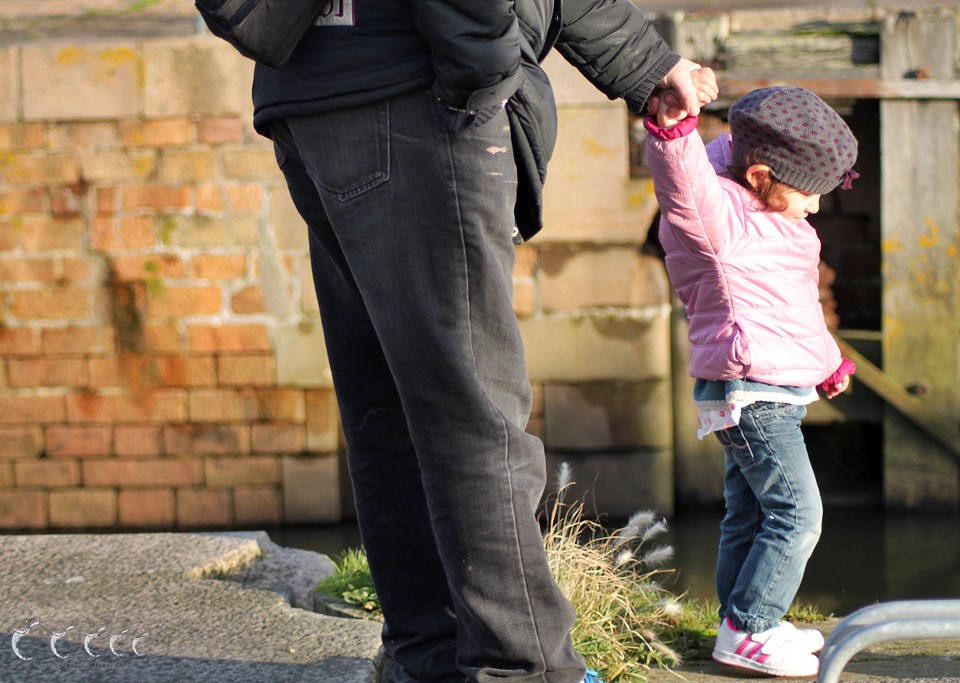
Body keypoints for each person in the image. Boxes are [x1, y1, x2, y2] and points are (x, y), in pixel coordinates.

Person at [249, 3, 717, 683]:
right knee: (472, 409)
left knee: (391, 403)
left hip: (317, 94)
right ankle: (523, 668)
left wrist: (643, 60)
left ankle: (431, 658)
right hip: (414, 92)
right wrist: (481, 76)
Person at [643, 85, 859, 677]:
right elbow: (682, 184)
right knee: (798, 514)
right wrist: (673, 131)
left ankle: (738, 620)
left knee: (751, 513)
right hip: (750, 393)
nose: (817, 206)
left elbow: (793, 307)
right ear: (761, 176)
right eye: (809, 193)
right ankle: (751, 628)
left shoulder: (778, 217)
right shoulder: (718, 221)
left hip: (773, 391)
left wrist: (827, 361)